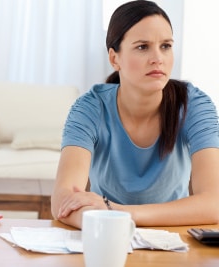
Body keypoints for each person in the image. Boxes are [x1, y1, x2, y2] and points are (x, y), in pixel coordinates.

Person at [51, 0, 219, 229]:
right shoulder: (89, 107)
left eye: (166, 46)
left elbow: (214, 204)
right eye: (142, 47)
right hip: (106, 235)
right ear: (114, 58)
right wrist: (105, 220)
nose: (158, 58)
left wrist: (115, 211)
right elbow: (62, 202)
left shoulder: (194, 105)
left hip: (173, 236)